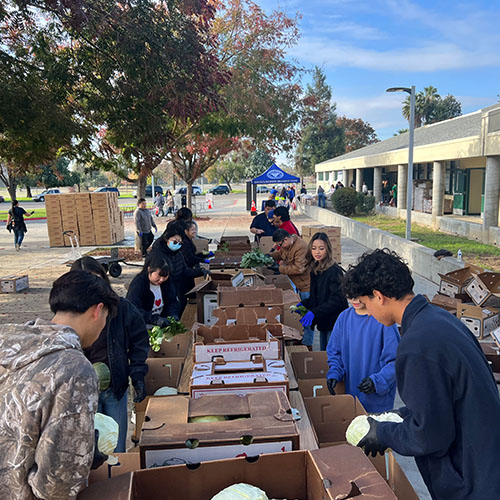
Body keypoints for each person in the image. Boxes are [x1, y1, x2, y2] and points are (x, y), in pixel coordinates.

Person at [342, 248, 500, 500]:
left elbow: (431, 434)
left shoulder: (417, 345)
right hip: (489, 460)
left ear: (378, 296)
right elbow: (444, 399)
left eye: (366, 303)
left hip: (473, 480)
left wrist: (383, 434)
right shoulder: (439, 319)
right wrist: (396, 415)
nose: (367, 312)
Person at [0, 270, 119, 499]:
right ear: (98, 310)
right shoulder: (74, 369)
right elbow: (57, 482)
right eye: (106, 318)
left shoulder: (9, 344)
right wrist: (84, 454)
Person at [71, 257, 149, 453]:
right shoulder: (70, 313)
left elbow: (139, 342)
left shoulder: (121, 308)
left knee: (115, 447)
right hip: (85, 391)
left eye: (96, 280)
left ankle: (119, 481)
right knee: (91, 449)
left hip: (115, 387)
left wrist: (137, 375)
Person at [326, 298, 399, 413]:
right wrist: (335, 373)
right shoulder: (344, 318)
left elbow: (396, 361)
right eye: (350, 295)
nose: (355, 299)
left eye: (359, 294)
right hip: (351, 400)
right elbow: (335, 351)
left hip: (378, 403)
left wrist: (377, 381)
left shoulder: (384, 320)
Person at [299, 232, 348, 350]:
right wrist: (303, 304)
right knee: (323, 354)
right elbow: (316, 296)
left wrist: (314, 312)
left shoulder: (334, 271)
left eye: (321, 248)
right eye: (314, 248)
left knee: (332, 355)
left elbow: (337, 300)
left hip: (335, 322)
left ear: (328, 249)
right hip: (323, 321)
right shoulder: (315, 268)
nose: (317, 252)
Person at [150, 221, 208, 315]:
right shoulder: (157, 255)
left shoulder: (178, 253)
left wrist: (200, 272)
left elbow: (184, 270)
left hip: (178, 290)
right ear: (167, 239)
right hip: (164, 294)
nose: (178, 244)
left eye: (180, 242)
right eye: (175, 241)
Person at [269, 228, 312, 348]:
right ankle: (303, 337)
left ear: (286, 239)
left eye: (280, 244)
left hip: (306, 285)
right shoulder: (287, 245)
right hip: (299, 284)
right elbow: (281, 253)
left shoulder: (300, 248)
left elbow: (299, 268)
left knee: (307, 315)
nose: (280, 246)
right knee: (301, 312)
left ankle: (308, 343)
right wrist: (271, 256)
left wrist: (281, 269)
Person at [126, 253, 181, 325]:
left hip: (162, 322)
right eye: (159, 275)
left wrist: (173, 314)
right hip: (142, 325)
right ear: (149, 269)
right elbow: (132, 309)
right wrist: (153, 319)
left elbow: (172, 301)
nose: (161, 279)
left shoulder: (167, 282)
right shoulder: (138, 284)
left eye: (165, 276)